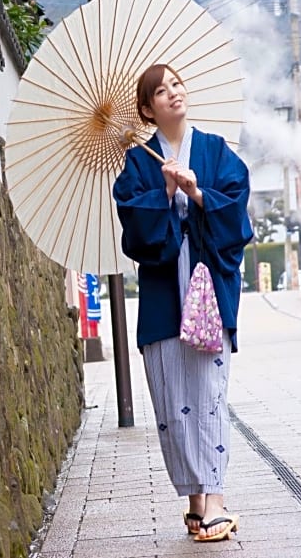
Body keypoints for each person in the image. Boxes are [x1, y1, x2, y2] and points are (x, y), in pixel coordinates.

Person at [112, 63, 253, 542]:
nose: (172, 93)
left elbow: (236, 214)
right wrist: (165, 190)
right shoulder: (137, 164)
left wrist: (198, 193)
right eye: (160, 91)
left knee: (209, 397)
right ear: (147, 108)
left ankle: (214, 499)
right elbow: (135, 232)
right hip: (162, 300)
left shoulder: (215, 152)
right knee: (174, 405)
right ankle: (195, 504)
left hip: (208, 296)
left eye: (176, 84)